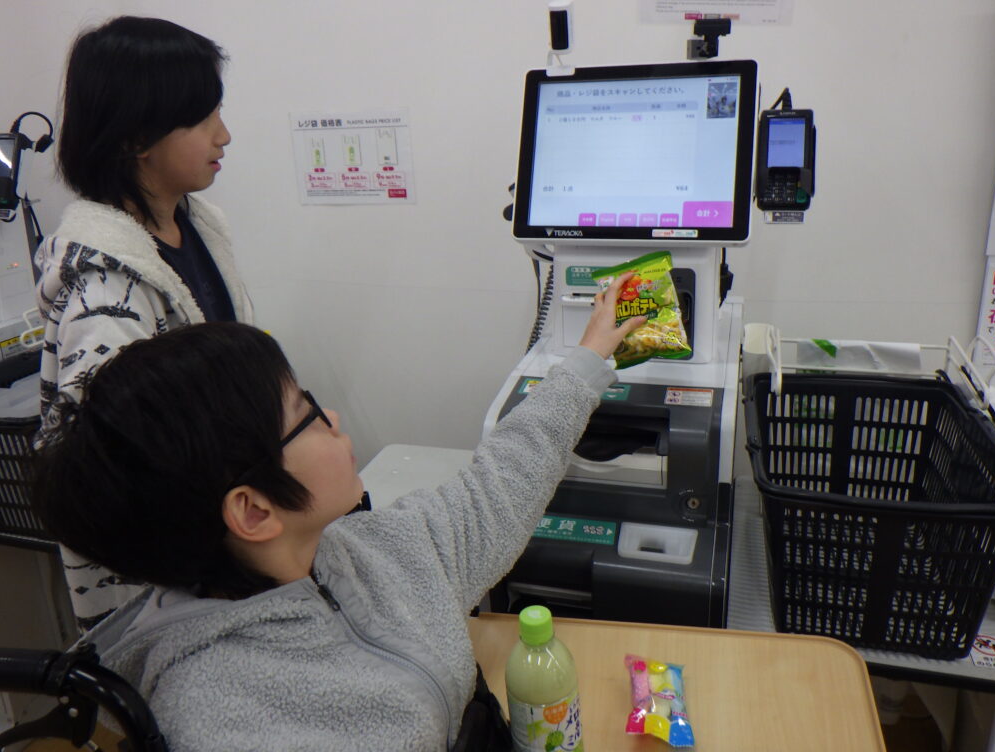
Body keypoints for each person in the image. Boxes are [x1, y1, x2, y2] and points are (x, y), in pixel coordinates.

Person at [32, 275, 645, 752]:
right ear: (254, 511)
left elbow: (493, 491)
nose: (334, 419)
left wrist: (587, 359)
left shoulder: (358, 549)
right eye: (308, 413)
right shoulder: (220, 716)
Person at [34, 16, 254, 628]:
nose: (224, 135)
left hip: (222, 539)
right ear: (137, 138)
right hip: (164, 586)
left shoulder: (196, 228)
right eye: (204, 119)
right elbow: (114, 477)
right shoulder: (106, 286)